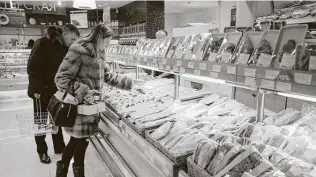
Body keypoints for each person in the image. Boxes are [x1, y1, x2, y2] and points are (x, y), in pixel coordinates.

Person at [54, 24, 140, 177]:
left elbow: (108, 76)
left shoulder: (99, 53)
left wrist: (131, 83)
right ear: (99, 38)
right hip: (79, 106)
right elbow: (61, 79)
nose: (107, 45)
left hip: (91, 107)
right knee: (80, 144)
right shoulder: (78, 50)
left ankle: (61, 169)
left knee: (76, 141)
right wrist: (85, 91)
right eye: (106, 42)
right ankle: (75, 172)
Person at [27, 24, 80, 164]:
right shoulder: (43, 43)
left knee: (57, 118)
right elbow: (32, 66)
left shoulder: (64, 47)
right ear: (65, 32)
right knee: (41, 121)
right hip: (41, 90)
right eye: (72, 38)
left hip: (56, 90)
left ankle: (59, 147)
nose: (73, 42)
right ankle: (42, 151)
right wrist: (36, 90)